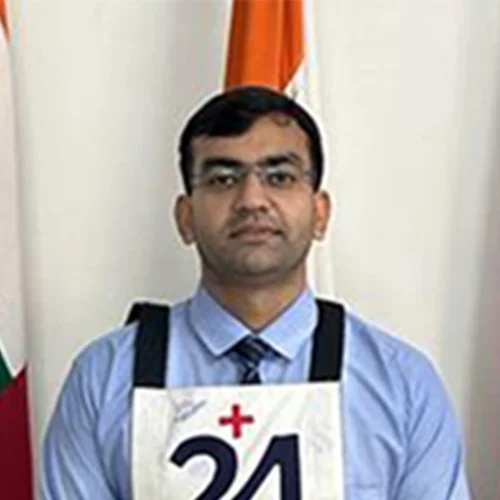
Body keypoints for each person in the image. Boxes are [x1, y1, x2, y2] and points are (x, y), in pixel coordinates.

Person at [41, 86, 470, 499]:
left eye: (279, 177)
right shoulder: (104, 378)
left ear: (320, 213)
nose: (251, 199)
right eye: (223, 178)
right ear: (185, 217)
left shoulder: (401, 384)